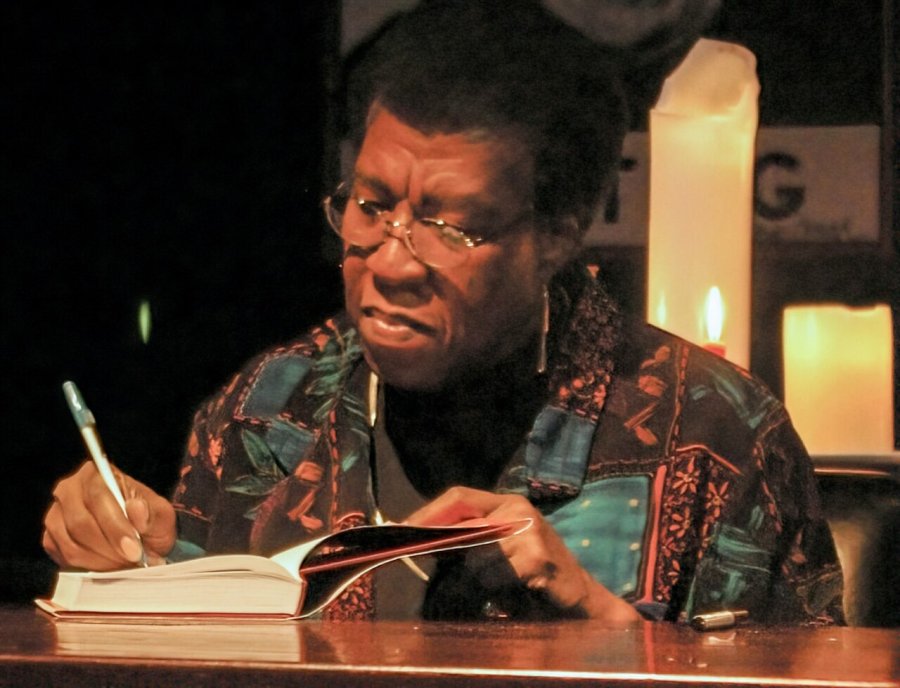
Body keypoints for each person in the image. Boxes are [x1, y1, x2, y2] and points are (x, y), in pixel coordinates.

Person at [42, 0, 843, 623]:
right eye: (370, 206)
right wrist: (126, 554)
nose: (391, 262)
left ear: (558, 233)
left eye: (450, 227)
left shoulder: (712, 433)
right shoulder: (267, 412)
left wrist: (604, 625)